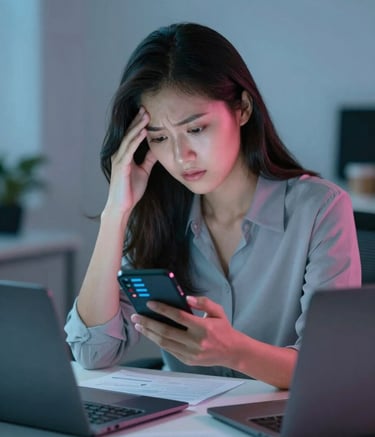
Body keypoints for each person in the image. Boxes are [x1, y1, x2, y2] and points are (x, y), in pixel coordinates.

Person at [65, 22, 361, 389]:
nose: (180, 155)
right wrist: (116, 214)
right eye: (159, 137)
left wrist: (233, 351)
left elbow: (327, 370)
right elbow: (93, 353)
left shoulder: (320, 209)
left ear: (243, 108)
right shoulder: (156, 215)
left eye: (196, 129)